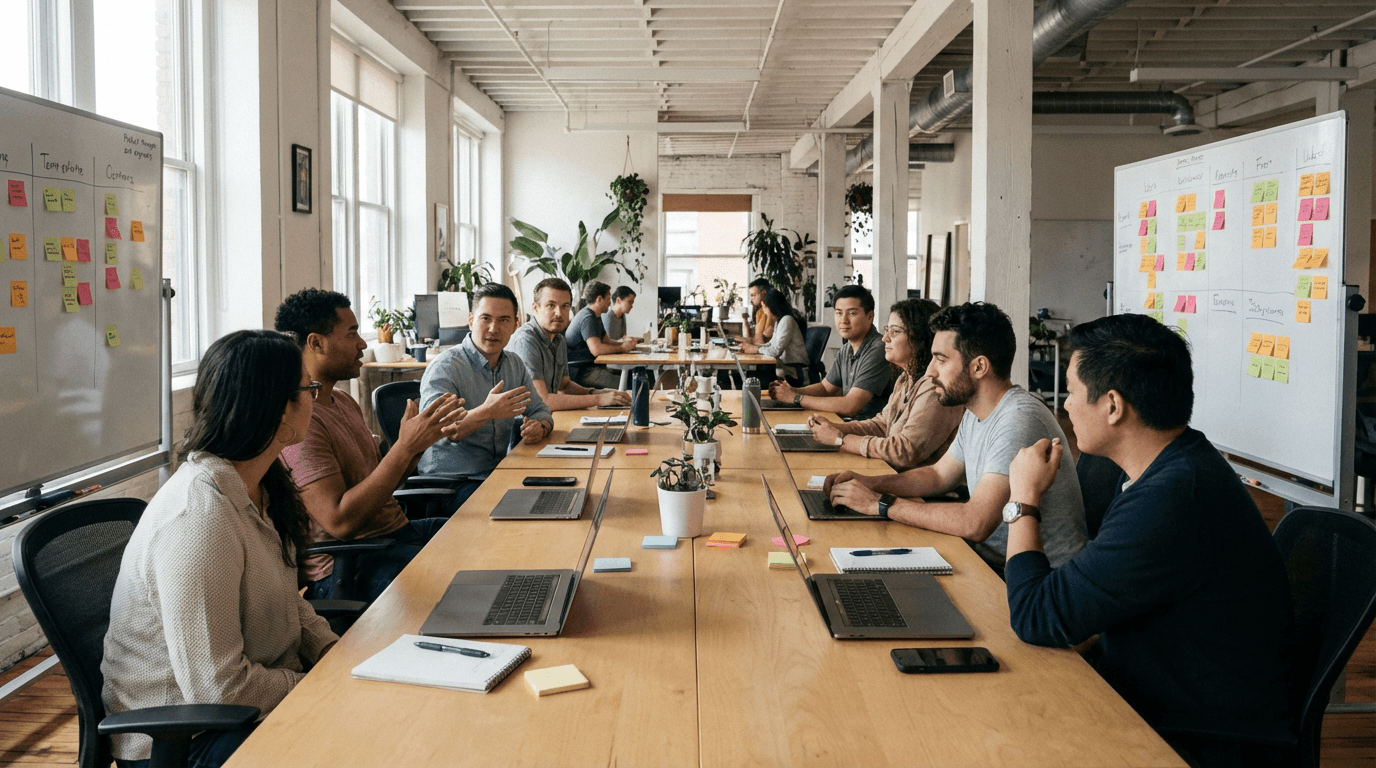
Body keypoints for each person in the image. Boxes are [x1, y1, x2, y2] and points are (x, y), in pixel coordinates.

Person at [1003, 314, 1295, 768]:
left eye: (1072, 392)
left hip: (1195, 736)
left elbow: (1034, 615)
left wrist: (1022, 498)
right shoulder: (1177, 463)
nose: (1067, 406)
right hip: (1157, 694)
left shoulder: (1171, 499)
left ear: (1113, 406)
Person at [101, 330, 337, 768]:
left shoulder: (257, 485)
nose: (316, 398)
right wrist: (314, 682)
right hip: (188, 738)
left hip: (247, 706)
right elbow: (217, 690)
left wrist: (331, 652)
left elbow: (285, 600)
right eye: (310, 389)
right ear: (279, 407)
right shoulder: (199, 518)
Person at [824, 302, 1086, 572]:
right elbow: (938, 475)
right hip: (988, 557)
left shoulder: (1018, 419)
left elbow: (975, 522)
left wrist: (878, 503)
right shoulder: (975, 411)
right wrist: (870, 483)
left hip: (1031, 576)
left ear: (979, 367)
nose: (930, 371)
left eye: (940, 360)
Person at [274, 288, 467, 602]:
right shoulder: (303, 422)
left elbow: (380, 486)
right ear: (316, 343)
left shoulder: (343, 401)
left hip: (394, 535)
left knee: (490, 541)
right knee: (467, 584)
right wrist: (404, 448)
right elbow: (340, 522)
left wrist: (416, 446)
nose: (363, 344)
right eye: (352, 334)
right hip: (353, 563)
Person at [419, 282, 553, 512]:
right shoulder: (445, 367)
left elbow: (541, 410)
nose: (493, 328)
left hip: (494, 474)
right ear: (471, 320)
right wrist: (488, 411)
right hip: (451, 484)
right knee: (527, 510)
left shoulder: (514, 364)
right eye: (485, 318)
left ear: (515, 324)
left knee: (555, 495)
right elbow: (443, 429)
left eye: (503, 320)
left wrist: (539, 427)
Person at [805, 298, 962, 471]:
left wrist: (840, 439)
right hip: (889, 471)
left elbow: (905, 451)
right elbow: (881, 425)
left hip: (909, 482)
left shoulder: (934, 387)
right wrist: (834, 428)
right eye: (887, 330)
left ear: (919, 337)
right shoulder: (905, 379)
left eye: (895, 332)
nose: (885, 338)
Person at [770, 284, 893, 419]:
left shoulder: (879, 349)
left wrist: (796, 398)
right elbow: (826, 388)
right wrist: (792, 391)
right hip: (849, 423)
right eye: (839, 313)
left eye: (852, 313)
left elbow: (850, 406)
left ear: (870, 317)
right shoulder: (846, 349)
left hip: (868, 428)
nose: (843, 320)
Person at [509, 277, 632, 411]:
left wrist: (594, 392)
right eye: (551, 305)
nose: (559, 313)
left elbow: (564, 386)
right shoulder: (526, 341)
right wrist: (599, 399)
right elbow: (542, 401)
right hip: (524, 421)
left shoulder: (558, 339)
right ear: (535, 308)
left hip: (546, 416)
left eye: (565, 306)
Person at [566, 280, 637, 389]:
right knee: (630, 383)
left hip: (592, 366)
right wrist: (623, 348)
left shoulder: (596, 317)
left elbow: (607, 342)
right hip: (582, 371)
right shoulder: (587, 318)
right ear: (599, 299)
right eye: (608, 299)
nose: (610, 303)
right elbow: (597, 350)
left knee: (634, 375)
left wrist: (627, 345)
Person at [740, 288, 809, 385]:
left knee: (754, 376)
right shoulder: (779, 321)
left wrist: (755, 349)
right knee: (752, 374)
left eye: (764, 307)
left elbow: (776, 351)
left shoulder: (787, 320)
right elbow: (770, 344)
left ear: (772, 307)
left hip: (795, 370)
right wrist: (752, 347)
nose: (764, 311)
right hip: (786, 366)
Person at [736, 277, 774, 345]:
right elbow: (755, 339)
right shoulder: (759, 313)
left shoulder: (771, 312)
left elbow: (763, 341)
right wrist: (745, 321)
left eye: (753, 295)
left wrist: (744, 340)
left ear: (763, 293)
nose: (751, 299)